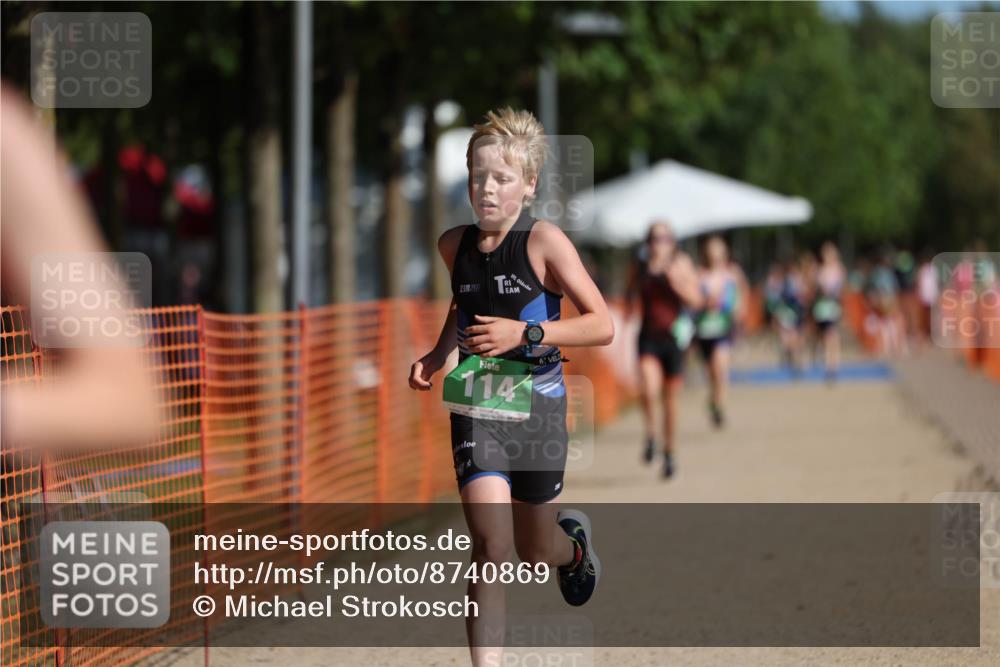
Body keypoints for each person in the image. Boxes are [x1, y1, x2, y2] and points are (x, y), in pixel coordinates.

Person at [407, 108, 614, 665]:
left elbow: (602, 324)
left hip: (540, 409)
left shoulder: (545, 242)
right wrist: (438, 354)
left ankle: (572, 551)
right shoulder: (453, 245)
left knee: (533, 551)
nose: (487, 188)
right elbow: (465, 302)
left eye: (501, 177)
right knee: (490, 547)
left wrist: (526, 332)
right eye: (478, 176)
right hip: (478, 404)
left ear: (529, 184)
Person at [624, 221, 701, 478]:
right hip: (648, 337)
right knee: (648, 389)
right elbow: (630, 292)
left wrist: (677, 283)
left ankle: (670, 451)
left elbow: (697, 300)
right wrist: (627, 314)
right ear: (648, 242)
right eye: (655, 238)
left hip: (674, 339)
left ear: (673, 242)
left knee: (670, 399)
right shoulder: (641, 265)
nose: (660, 243)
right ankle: (651, 435)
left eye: (665, 238)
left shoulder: (681, 264)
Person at [693, 235, 746, 428]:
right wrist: (704, 303)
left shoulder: (732, 274)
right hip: (704, 330)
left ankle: (719, 405)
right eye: (711, 249)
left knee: (720, 367)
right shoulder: (700, 274)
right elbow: (692, 301)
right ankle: (713, 399)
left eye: (718, 249)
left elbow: (740, 296)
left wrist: (738, 314)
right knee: (712, 373)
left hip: (724, 328)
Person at [811, 242, 846, 383]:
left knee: (832, 337)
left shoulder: (838, 269)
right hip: (822, 307)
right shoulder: (821, 270)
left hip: (832, 306)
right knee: (824, 336)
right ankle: (826, 361)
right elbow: (818, 288)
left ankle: (832, 367)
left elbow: (840, 289)